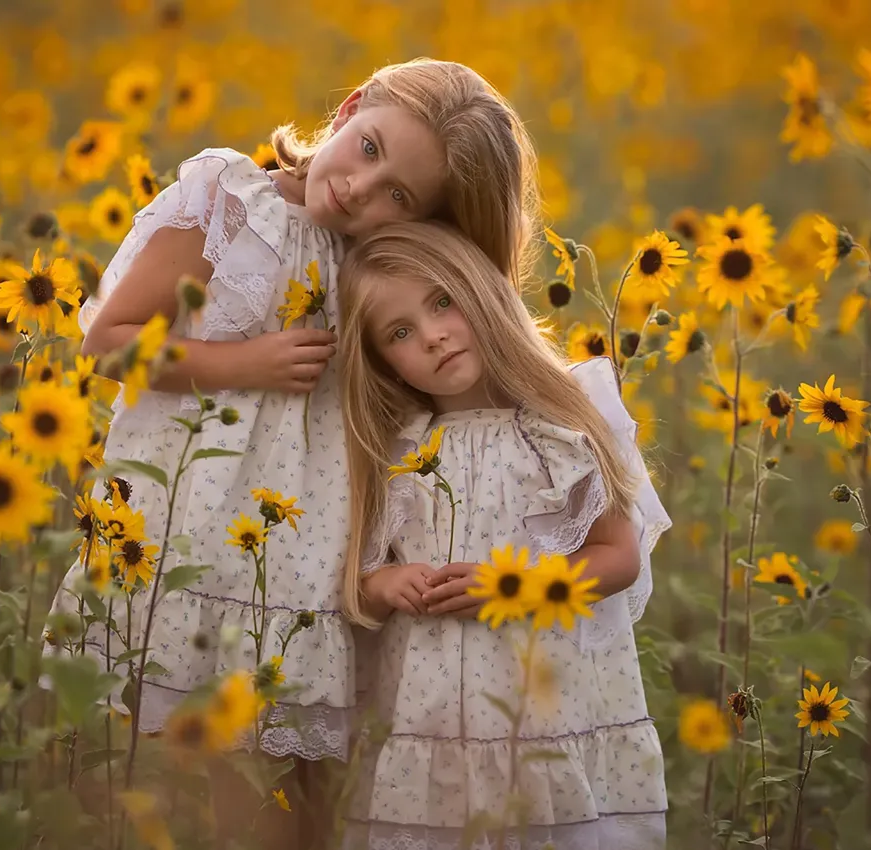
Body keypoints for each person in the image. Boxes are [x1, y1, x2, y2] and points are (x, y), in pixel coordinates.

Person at [43, 58, 540, 848]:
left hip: (312, 561)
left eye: (400, 198)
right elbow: (108, 341)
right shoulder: (227, 202)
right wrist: (246, 364)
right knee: (188, 782)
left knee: (301, 804)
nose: (360, 191)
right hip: (194, 533)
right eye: (370, 150)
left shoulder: (380, 270)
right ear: (347, 110)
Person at [337, 221, 670, 850]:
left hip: (544, 708)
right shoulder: (395, 446)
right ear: (384, 361)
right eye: (400, 332)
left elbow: (618, 558)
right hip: (428, 720)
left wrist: (515, 587)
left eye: (442, 302)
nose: (432, 336)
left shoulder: (556, 420)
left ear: (482, 292)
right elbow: (360, 576)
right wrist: (385, 584)